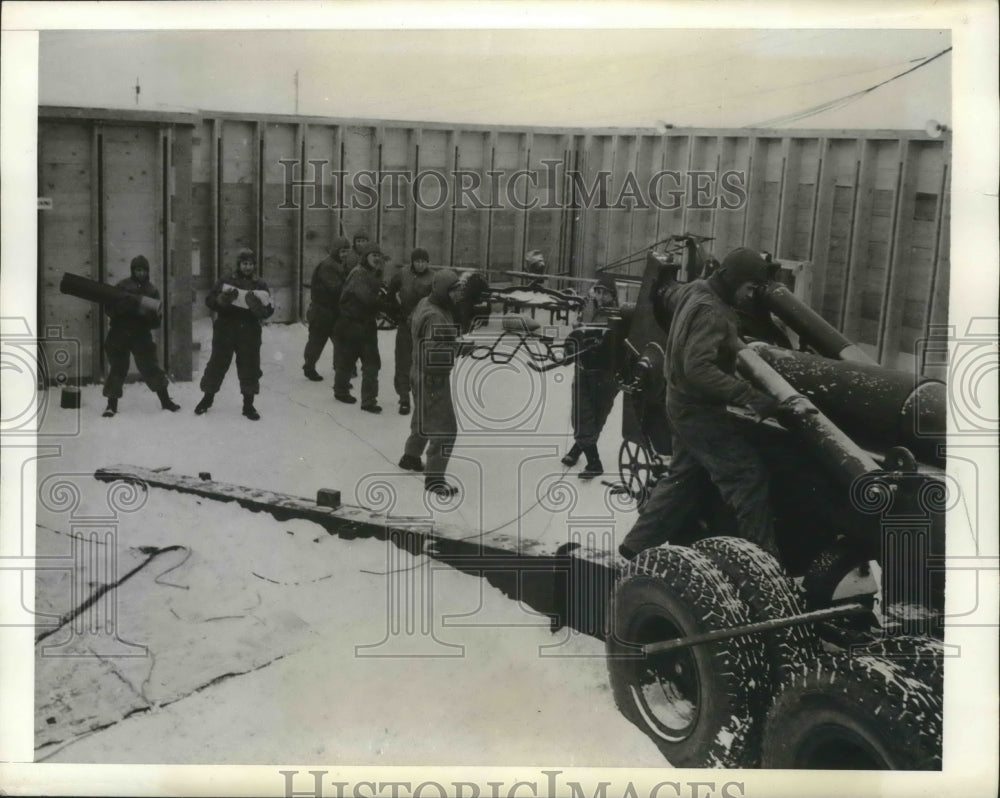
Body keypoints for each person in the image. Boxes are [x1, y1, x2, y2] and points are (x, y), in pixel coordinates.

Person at [619, 246, 780, 560]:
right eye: (748, 288)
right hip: (699, 410)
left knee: (682, 476)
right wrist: (748, 395)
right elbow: (698, 368)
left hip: (678, 402)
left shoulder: (696, 289)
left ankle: (634, 546)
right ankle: (765, 562)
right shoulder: (713, 311)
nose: (750, 296)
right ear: (734, 280)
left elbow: (707, 336)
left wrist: (737, 343)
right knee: (747, 476)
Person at [398, 269, 465, 498]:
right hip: (432, 377)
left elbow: (411, 324)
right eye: (455, 291)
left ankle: (411, 456)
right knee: (445, 429)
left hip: (417, 372)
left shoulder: (424, 303)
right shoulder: (436, 315)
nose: (459, 296)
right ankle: (435, 479)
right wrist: (459, 348)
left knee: (423, 416)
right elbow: (433, 353)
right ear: (444, 291)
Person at [194, 247, 274, 420]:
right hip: (226, 328)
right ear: (239, 264)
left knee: (249, 367)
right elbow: (210, 301)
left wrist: (259, 308)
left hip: (250, 331)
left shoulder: (260, 284)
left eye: (251, 264)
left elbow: (269, 311)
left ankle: (248, 405)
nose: (248, 267)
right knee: (217, 364)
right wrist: (221, 300)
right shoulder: (226, 280)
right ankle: (207, 399)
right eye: (245, 263)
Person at [100, 255, 180, 417]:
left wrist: (146, 314)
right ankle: (111, 405)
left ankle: (166, 401)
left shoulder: (152, 291)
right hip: (119, 333)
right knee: (117, 368)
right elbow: (109, 309)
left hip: (140, 335)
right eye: (137, 270)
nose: (141, 273)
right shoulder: (122, 286)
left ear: (147, 271)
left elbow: (156, 321)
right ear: (132, 271)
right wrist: (123, 306)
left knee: (151, 367)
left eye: (143, 270)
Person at [561, 273, 620, 478]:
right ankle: (595, 463)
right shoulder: (587, 310)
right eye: (598, 291)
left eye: (605, 292)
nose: (600, 296)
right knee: (581, 413)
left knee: (597, 416)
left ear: (613, 295)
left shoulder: (618, 315)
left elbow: (617, 345)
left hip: (605, 374)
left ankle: (578, 450)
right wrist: (571, 345)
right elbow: (576, 333)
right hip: (583, 368)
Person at [333, 242, 385, 412]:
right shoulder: (359, 274)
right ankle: (341, 391)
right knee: (347, 361)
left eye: (379, 255)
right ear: (365, 257)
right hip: (351, 324)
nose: (377, 259)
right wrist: (385, 302)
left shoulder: (373, 273)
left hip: (367, 324)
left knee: (372, 364)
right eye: (373, 255)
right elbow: (367, 298)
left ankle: (369, 401)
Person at [385, 247, 434, 414]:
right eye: (417, 261)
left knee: (422, 362)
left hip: (423, 327)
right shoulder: (403, 274)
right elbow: (390, 293)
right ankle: (404, 398)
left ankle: (422, 397)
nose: (420, 265)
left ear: (428, 262)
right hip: (405, 325)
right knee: (403, 361)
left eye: (423, 261)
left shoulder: (433, 278)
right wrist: (395, 311)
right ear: (412, 262)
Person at [302, 236, 351, 381]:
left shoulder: (340, 264)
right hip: (322, 311)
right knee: (317, 342)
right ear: (335, 251)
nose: (345, 254)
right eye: (342, 251)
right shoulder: (328, 266)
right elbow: (336, 288)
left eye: (347, 251)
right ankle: (309, 366)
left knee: (340, 342)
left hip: (335, 311)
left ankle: (340, 370)